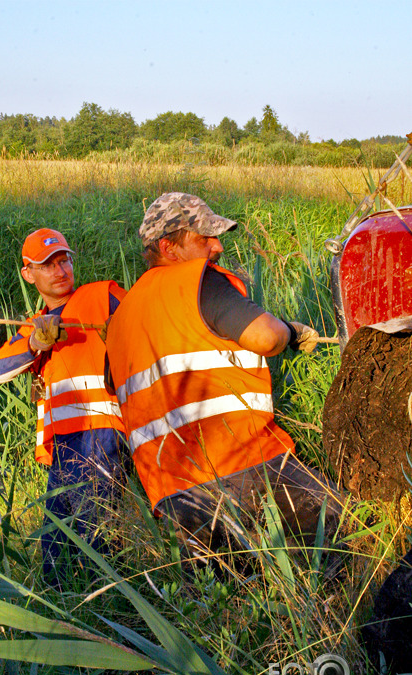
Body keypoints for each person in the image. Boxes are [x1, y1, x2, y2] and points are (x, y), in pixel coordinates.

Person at [105, 192, 342, 565]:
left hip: (173, 493)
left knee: (231, 603)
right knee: (347, 541)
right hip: (243, 464)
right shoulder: (197, 282)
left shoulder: (120, 320)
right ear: (168, 247)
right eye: (204, 238)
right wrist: (289, 330)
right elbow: (266, 338)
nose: (216, 247)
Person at [0, 228, 128, 583]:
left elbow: (144, 322)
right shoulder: (34, 326)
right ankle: (59, 608)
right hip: (62, 444)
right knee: (55, 542)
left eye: (63, 259)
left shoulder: (101, 295)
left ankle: (108, 609)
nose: (59, 269)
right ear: (28, 274)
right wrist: (37, 341)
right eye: (47, 264)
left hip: (99, 432)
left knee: (95, 535)